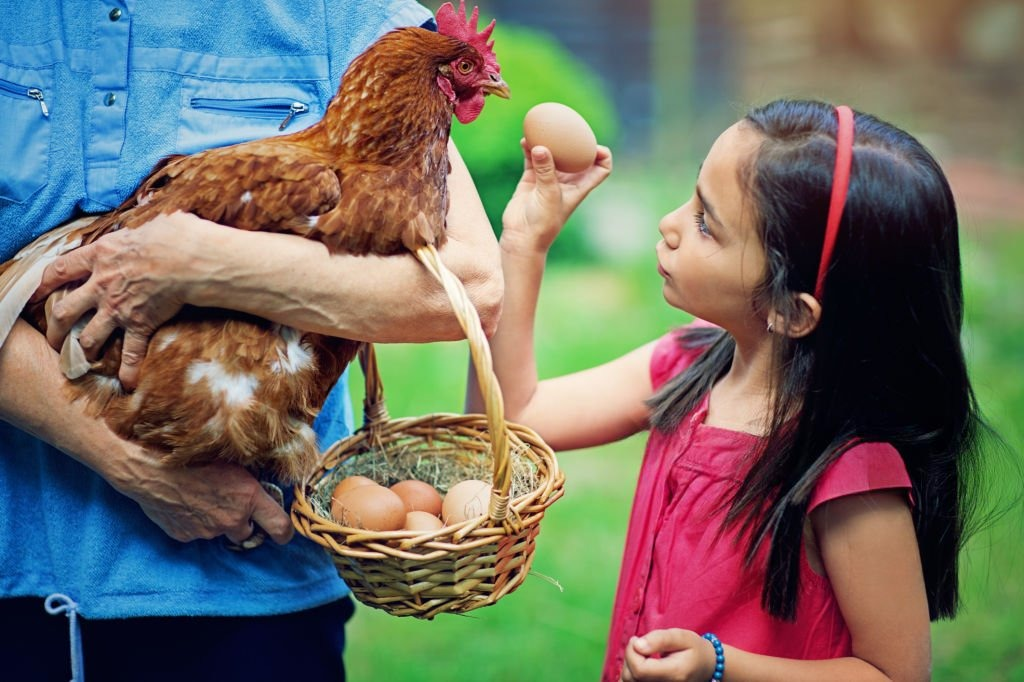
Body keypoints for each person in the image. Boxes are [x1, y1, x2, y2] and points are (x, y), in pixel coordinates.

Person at [0, 2, 500, 680]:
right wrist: (136, 468)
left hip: (253, 580)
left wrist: (199, 263)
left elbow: (470, 284)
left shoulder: (341, 16)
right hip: (20, 572)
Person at [476, 98, 985, 681]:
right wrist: (523, 244)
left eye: (704, 224)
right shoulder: (688, 365)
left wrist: (720, 665)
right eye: (693, 196)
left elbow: (896, 675)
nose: (669, 224)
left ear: (792, 311)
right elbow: (516, 417)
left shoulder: (849, 475)